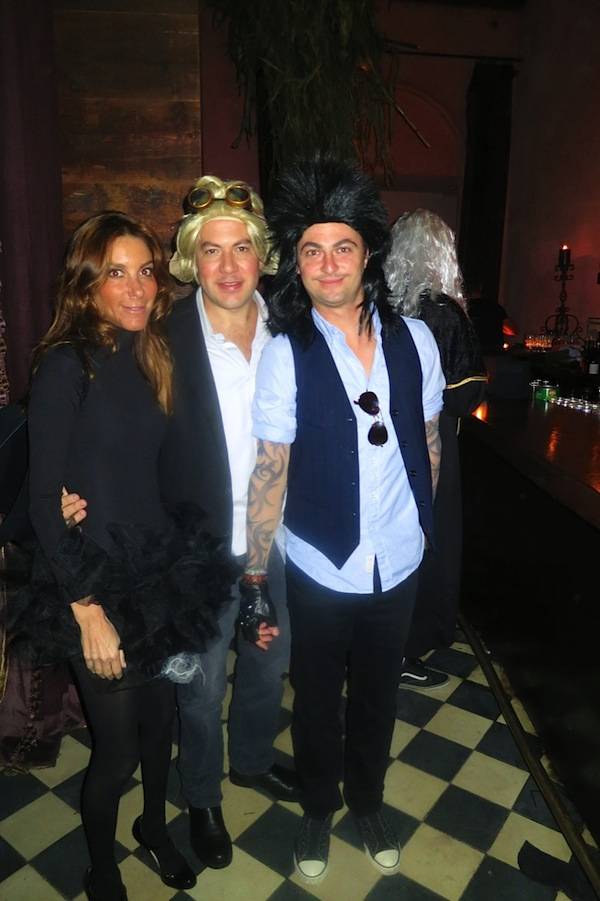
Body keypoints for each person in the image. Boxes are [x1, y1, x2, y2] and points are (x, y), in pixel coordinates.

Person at [63, 177, 298, 872]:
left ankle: (251, 761)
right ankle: (202, 798)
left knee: (268, 664)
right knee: (200, 690)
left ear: (262, 256)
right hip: (195, 551)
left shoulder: (291, 330)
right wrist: (64, 491)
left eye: (242, 249)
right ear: (192, 259)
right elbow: (106, 422)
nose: (228, 266)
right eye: (212, 250)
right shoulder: (160, 337)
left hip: (276, 542)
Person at [11, 212, 232, 900]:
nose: (137, 288)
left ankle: (154, 828)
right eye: (117, 272)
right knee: (118, 749)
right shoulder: (65, 365)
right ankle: (100, 864)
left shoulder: (153, 352)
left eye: (146, 272)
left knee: (161, 725)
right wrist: (86, 610)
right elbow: (42, 497)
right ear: (87, 285)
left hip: (157, 574)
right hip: (93, 581)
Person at [240, 158, 446, 882]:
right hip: (321, 561)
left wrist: (422, 527)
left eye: (343, 247)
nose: (328, 265)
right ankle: (317, 808)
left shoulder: (416, 340)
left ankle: (368, 800)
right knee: (318, 698)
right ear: (296, 263)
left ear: (367, 254)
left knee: (380, 695)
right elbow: (270, 468)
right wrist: (256, 573)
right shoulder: (284, 354)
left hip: (399, 558)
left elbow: (428, 442)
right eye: (312, 250)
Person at [385, 209, 487, 689]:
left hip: (384, 441)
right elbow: (467, 395)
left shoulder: (380, 305)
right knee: (430, 541)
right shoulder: (444, 312)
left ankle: (381, 643)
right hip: (433, 442)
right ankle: (407, 648)